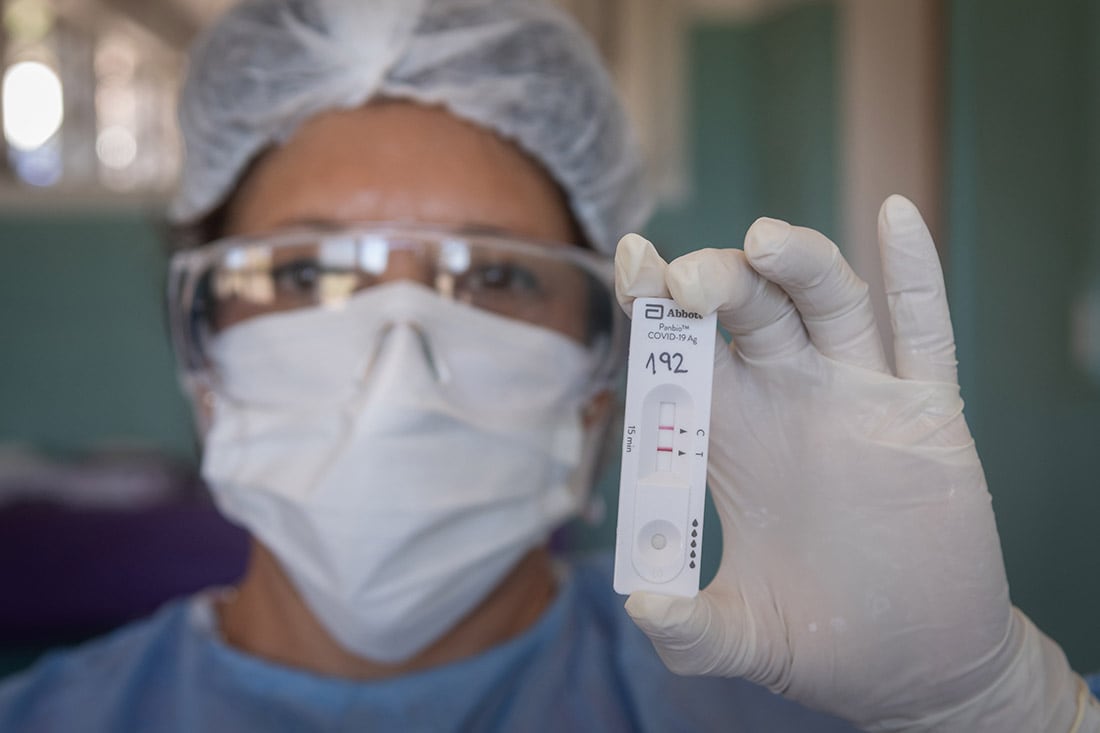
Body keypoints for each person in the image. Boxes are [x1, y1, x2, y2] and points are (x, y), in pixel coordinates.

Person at [0, 0, 1096, 731]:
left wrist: (1001, 706)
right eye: (306, 275)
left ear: (596, 389)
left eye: (494, 278)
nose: (399, 354)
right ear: (203, 352)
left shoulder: (790, 699)